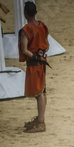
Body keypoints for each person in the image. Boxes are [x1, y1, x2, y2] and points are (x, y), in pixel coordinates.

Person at [18, 1, 50, 133]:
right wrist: (41, 53)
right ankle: (39, 119)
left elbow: (25, 50)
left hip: (34, 65)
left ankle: (41, 122)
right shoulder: (42, 26)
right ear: (35, 12)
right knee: (42, 91)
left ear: (25, 13)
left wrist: (36, 56)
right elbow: (47, 45)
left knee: (39, 93)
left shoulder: (26, 30)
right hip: (41, 63)